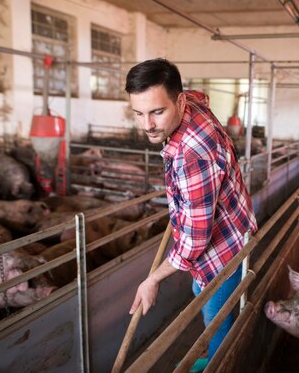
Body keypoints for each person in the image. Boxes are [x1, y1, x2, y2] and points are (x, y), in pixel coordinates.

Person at [126, 58, 257, 372]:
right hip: (230, 225)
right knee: (201, 294)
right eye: (139, 113)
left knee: (216, 321)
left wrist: (153, 279)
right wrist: (179, 212)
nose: (148, 125)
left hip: (222, 251)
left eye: (157, 112)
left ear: (179, 101)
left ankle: (218, 361)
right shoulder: (191, 104)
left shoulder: (192, 153)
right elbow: (201, 95)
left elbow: (196, 239)